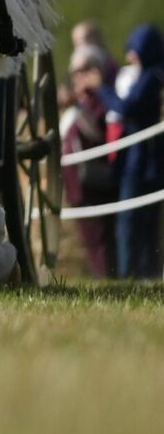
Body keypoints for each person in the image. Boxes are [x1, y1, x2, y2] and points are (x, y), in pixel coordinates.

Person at [105, 24, 163, 278]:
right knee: (146, 223)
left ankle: (130, 272)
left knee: (131, 221)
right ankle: (145, 271)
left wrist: (102, 90)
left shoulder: (152, 77)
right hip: (147, 158)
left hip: (142, 160)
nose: (130, 57)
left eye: (134, 50)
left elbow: (127, 108)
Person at [61, 43, 119, 277]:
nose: (77, 77)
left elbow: (96, 129)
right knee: (93, 242)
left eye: (82, 70)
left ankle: (110, 280)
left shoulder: (103, 98)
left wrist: (80, 100)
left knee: (102, 242)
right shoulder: (83, 101)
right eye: (74, 72)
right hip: (79, 186)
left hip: (96, 182)